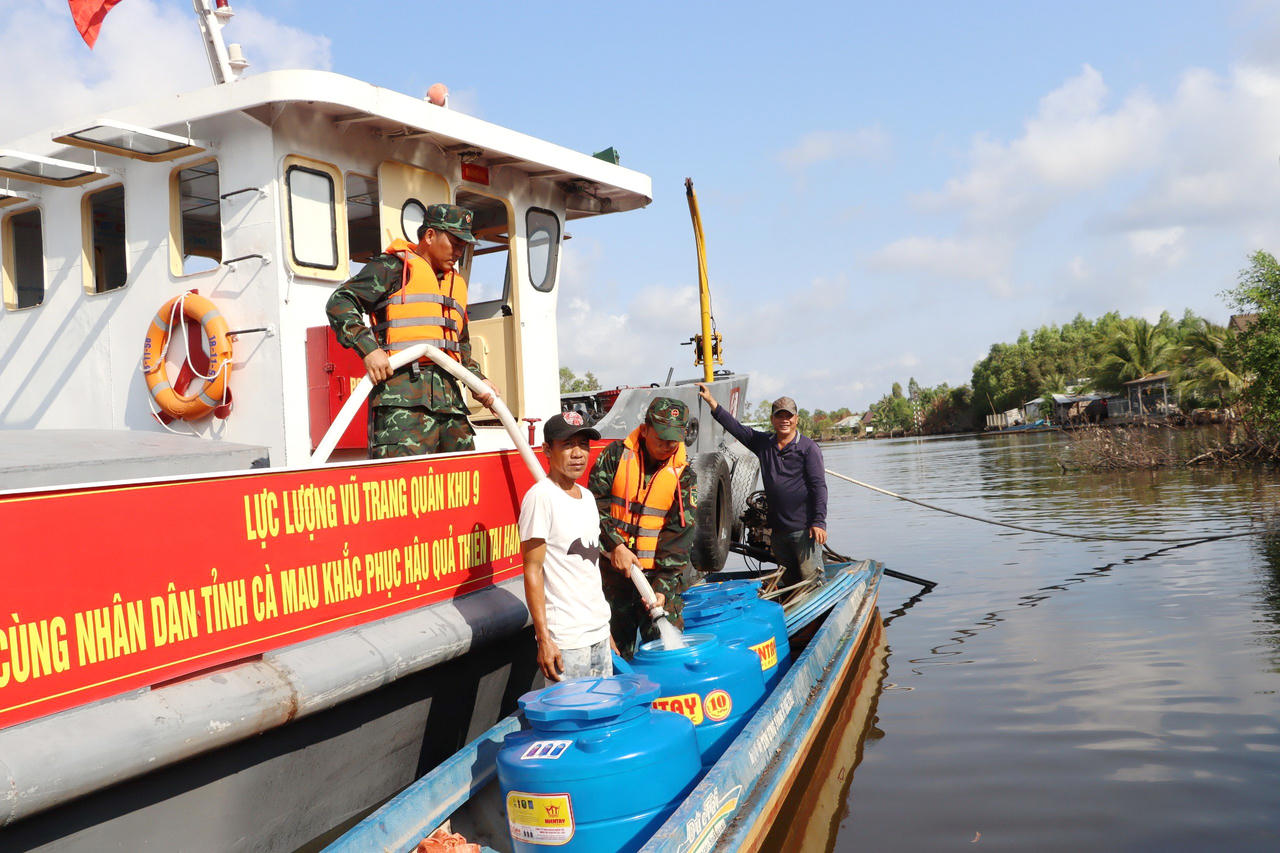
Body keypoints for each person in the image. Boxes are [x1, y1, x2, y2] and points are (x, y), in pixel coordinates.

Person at [325, 203, 499, 458]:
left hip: (452, 408)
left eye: (464, 246)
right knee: (403, 490)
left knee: (463, 486)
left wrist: (478, 380)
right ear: (429, 236)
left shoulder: (455, 285)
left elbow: (460, 347)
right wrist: (369, 349)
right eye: (455, 242)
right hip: (402, 407)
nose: (460, 251)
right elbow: (340, 301)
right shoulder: (392, 268)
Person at [588, 397, 697, 658]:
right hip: (614, 576)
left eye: (674, 439)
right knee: (614, 650)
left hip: (657, 579)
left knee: (666, 651)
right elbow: (593, 505)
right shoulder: (615, 456)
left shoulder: (684, 475)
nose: (668, 445)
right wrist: (615, 545)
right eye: (661, 437)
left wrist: (662, 587)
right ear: (645, 429)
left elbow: (680, 534)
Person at [697, 385, 828, 587]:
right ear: (772, 420)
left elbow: (819, 487)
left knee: (813, 584)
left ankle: (820, 617)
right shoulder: (763, 443)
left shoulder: (808, 449)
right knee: (790, 584)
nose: (784, 420)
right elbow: (736, 428)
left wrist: (819, 522)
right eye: (779, 416)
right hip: (778, 532)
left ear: (796, 419)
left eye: (789, 416)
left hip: (804, 530)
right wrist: (712, 403)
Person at [519, 413, 613, 681]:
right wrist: (544, 639)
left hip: (598, 634)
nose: (578, 454)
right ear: (547, 450)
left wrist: (606, 631)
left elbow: (590, 569)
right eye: (568, 445)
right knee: (574, 719)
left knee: (603, 716)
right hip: (568, 642)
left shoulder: (587, 498)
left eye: (583, 444)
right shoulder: (540, 498)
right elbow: (532, 570)